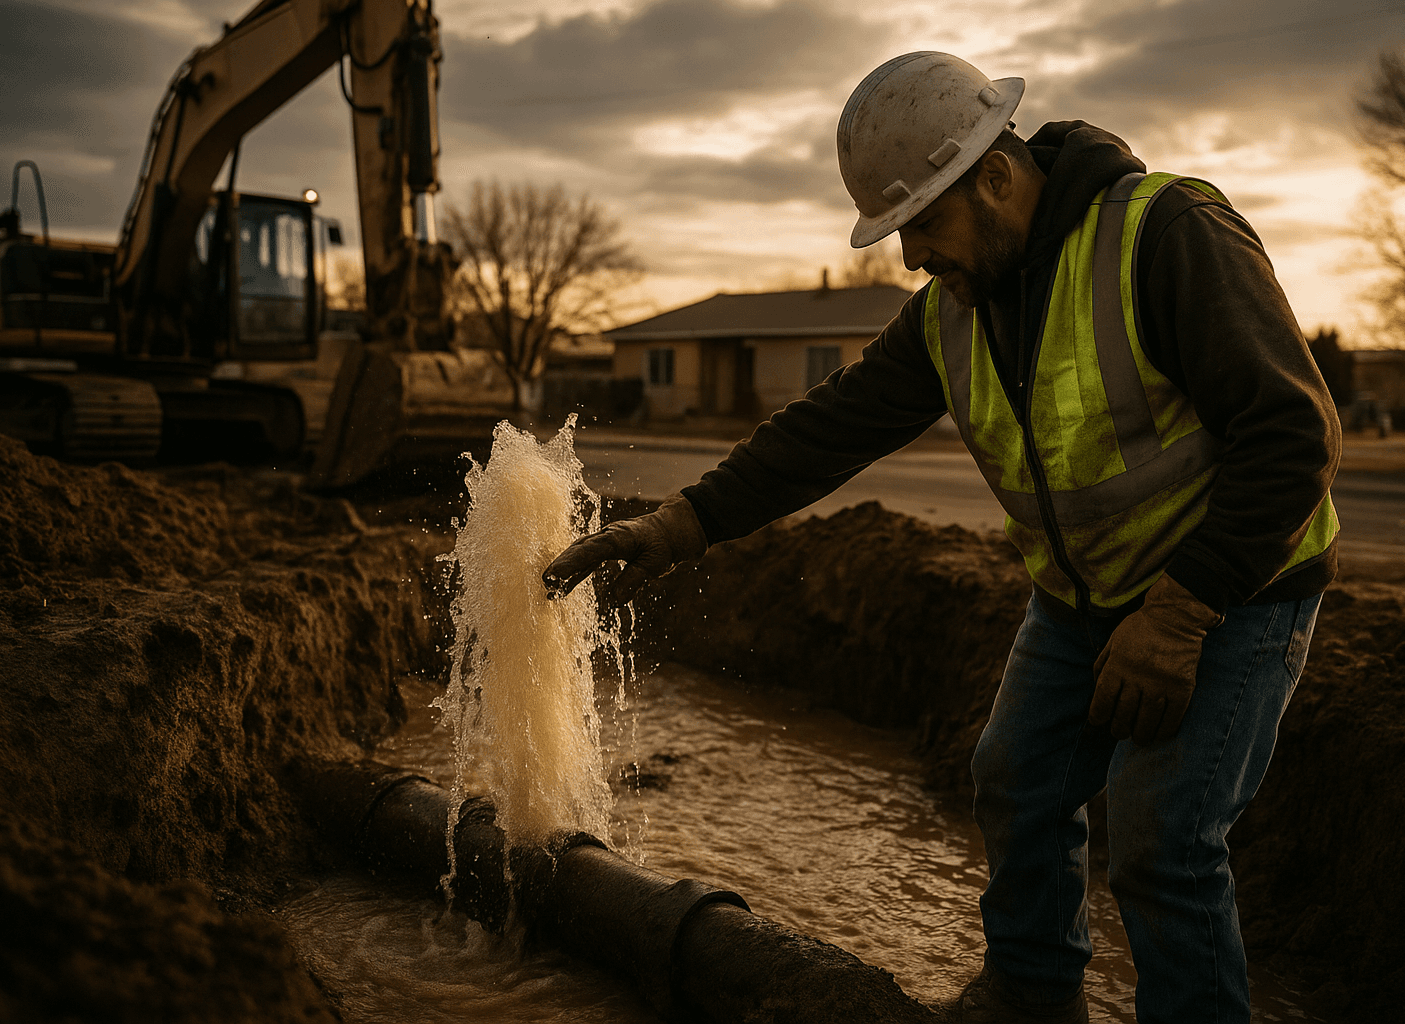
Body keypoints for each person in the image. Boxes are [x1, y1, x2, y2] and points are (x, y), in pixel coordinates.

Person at [544, 51, 1340, 1024]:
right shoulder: (955, 315)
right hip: (1085, 597)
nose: (912, 256)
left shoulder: (1166, 234)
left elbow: (1296, 434)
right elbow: (832, 426)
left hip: (1238, 584)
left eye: (921, 222)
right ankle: (1034, 988)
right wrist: (679, 523)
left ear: (996, 177)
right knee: (1015, 774)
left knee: (1160, 835)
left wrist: (1180, 612)